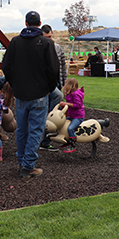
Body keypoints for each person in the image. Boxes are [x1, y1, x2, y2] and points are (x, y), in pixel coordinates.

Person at [2, 11, 59, 178]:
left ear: (26, 23)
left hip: (20, 94)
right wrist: (49, 87)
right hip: (40, 93)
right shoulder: (46, 43)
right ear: (39, 23)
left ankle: (22, 162)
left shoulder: (15, 42)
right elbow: (53, 69)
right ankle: (28, 165)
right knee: (35, 130)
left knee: (22, 130)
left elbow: (6, 66)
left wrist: (14, 84)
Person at [39, 24, 67, 152]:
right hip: (43, 86)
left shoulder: (57, 48)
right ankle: (41, 140)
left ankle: (46, 141)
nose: (49, 39)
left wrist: (64, 84)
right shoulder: (39, 48)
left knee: (54, 113)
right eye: (46, 37)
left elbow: (62, 67)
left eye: (50, 36)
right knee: (45, 113)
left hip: (56, 84)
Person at [59, 78, 85, 153]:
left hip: (78, 117)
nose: (64, 86)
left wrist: (66, 103)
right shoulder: (71, 93)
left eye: (65, 84)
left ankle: (72, 145)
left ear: (71, 86)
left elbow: (77, 105)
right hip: (72, 116)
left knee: (70, 129)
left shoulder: (76, 94)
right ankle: (67, 141)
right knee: (63, 124)